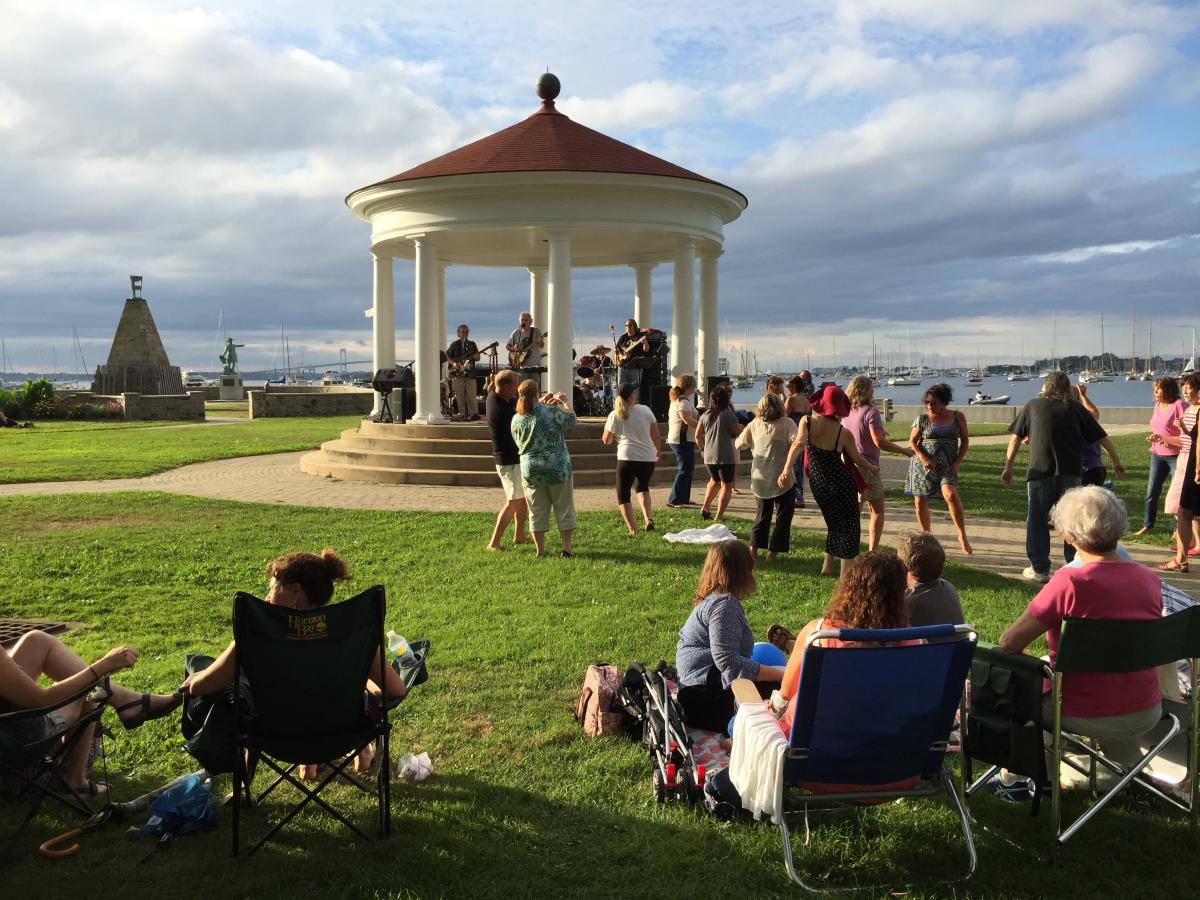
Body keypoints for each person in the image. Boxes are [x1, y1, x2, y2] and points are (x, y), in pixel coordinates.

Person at [181, 549, 406, 779]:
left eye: (272, 589)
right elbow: (396, 689)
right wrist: (363, 679)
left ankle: (264, 776)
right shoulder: (351, 635)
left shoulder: (257, 636)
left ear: (295, 591)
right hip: (340, 736)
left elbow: (201, 687)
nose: (267, 598)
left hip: (275, 738)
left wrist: (194, 678)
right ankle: (352, 754)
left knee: (215, 676)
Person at [998, 486, 1164, 768]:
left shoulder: (1070, 582)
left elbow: (1009, 643)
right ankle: (1125, 769)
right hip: (1146, 707)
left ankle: (1019, 777)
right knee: (1109, 675)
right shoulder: (1149, 579)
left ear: (1068, 536)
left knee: (1013, 687)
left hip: (1079, 710)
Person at [1, 634, 182, 798]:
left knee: (37, 642)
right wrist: (104, 665)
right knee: (90, 693)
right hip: (19, 737)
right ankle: (77, 782)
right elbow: (42, 700)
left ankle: (128, 701)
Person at [773, 553, 923, 745]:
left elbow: (785, 696)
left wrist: (767, 710)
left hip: (815, 748)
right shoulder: (914, 643)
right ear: (900, 596)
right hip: (883, 749)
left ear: (851, 587)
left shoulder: (819, 635)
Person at [1001, 372, 1125, 582]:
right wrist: (1116, 460)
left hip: (1039, 472)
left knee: (1037, 520)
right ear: (1067, 388)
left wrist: (1008, 467)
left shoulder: (1033, 405)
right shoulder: (1075, 408)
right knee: (1072, 520)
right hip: (1071, 472)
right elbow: (1101, 436)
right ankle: (1074, 564)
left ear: (1046, 386)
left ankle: (1039, 569)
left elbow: (1015, 439)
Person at [675, 540, 787, 734]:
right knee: (785, 691)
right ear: (741, 572)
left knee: (778, 684)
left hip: (696, 694)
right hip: (704, 700)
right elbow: (729, 663)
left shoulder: (714, 599)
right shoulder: (724, 606)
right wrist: (781, 675)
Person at [780, 384, 877, 577]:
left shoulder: (807, 421)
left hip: (819, 484)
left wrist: (786, 470)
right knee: (849, 527)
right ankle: (844, 574)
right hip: (842, 484)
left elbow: (798, 444)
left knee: (833, 524)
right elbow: (858, 460)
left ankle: (826, 568)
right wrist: (873, 467)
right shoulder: (843, 433)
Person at [844, 375, 915, 552]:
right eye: (872, 388)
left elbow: (859, 433)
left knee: (854, 511)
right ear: (866, 390)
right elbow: (879, 442)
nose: (874, 391)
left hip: (848, 464)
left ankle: (848, 547)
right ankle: (871, 551)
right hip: (867, 467)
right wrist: (903, 451)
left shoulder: (847, 411)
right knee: (876, 510)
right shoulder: (871, 412)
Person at [511, 380, 577, 557]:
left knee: (536, 511)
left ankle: (540, 550)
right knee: (564, 508)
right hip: (557, 466)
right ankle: (567, 549)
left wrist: (541, 403)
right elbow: (571, 421)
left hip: (531, 470)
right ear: (536, 393)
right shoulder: (550, 411)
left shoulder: (516, 418)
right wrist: (564, 402)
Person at [905, 383, 973, 556]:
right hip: (923, 465)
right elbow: (912, 442)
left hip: (948, 465)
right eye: (927, 402)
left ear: (944, 402)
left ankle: (962, 535)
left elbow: (965, 441)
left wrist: (958, 462)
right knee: (920, 501)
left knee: (950, 494)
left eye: (933, 402)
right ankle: (927, 538)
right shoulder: (922, 419)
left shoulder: (958, 417)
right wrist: (923, 458)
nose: (929, 405)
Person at [735, 393, 797, 562]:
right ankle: (772, 553)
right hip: (782, 476)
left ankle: (753, 550)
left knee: (762, 515)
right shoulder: (788, 423)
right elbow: (796, 443)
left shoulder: (754, 424)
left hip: (760, 477)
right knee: (784, 516)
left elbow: (739, 444)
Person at [602, 382, 662, 535]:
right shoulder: (646, 410)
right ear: (631, 397)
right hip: (647, 456)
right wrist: (658, 450)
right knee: (642, 487)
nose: (636, 394)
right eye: (634, 392)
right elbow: (656, 435)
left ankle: (633, 529)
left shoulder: (614, 414)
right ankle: (648, 519)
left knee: (623, 494)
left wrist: (616, 436)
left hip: (627, 456)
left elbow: (606, 439)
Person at [485, 369, 530, 551]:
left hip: (513, 459)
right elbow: (522, 419)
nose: (516, 389)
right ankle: (494, 543)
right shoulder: (499, 409)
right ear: (504, 386)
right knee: (513, 501)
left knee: (521, 498)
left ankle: (519, 535)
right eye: (514, 385)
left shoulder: (497, 396)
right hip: (507, 461)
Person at [1136, 377, 1187, 536]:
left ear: (1168, 390)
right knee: (1151, 491)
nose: (1155, 392)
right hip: (1157, 454)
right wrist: (1155, 437)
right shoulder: (1157, 406)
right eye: (1154, 389)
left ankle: (1177, 529)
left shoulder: (1179, 405)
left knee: (1176, 494)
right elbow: (1159, 429)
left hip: (1175, 455)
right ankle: (1148, 524)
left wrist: (1170, 442)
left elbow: (1188, 434)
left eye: (1158, 389)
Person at [1160, 373, 1200, 573]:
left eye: (1188, 387)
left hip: (1194, 466)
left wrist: (1198, 467)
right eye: (1182, 387)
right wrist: (1165, 438)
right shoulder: (1190, 411)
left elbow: (1198, 442)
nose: (1184, 390)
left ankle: (1183, 558)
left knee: (1185, 511)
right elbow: (1189, 440)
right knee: (1184, 511)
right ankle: (1181, 559)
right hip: (1188, 462)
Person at [1064, 383, 1105, 564]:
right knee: (1092, 513)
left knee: (1081, 515)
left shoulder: (1072, 420)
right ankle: (1094, 549)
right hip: (1097, 468)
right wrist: (1083, 396)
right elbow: (1095, 412)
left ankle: (1082, 553)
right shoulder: (1088, 418)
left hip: (1084, 470)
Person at [895, 531, 964, 630]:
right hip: (957, 640)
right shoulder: (949, 588)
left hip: (924, 641)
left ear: (904, 566)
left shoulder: (905, 601)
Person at [696, 386, 743, 522]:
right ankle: (719, 516)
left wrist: (702, 449)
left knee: (715, 481)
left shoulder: (705, 415)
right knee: (727, 485)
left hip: (708, 455)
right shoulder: (728, 414)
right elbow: (738, 432)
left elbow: (697, 436)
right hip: (724, 456)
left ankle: (705, 507)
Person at [666, 375, 700, 508]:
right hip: (682, 439)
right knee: (684, 468)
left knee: (687, 467)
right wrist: (703, 426)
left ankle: (683, 497)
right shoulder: (683, 402)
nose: (695, 389)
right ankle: (675, 499)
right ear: (689, 386)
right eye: (694, 386)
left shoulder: (677, 400)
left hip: (681, 438)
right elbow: (688, 420)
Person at [784, 375, 810, 509]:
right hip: (803, 435)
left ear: (794, 386)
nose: (786, 388)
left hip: (792, 436)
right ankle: (800, 496)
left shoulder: (792, 400)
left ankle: (797, 497)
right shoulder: (805, 399)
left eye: (788, 385)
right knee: (798, 468)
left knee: (792, 466)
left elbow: (783, 417)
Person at [446, 323, 481, 419]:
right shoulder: (454, 344)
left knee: (471, 394)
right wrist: (454, 364)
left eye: (466, 332)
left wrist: (476, 356)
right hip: (458, 373)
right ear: (458, 333)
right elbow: (447, 356)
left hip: (470, 373)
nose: (464, 334)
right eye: (462, 332)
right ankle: (462, 413)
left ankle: (473, 413)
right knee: (459, 394)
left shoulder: (472, 344)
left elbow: (478, 358)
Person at [505, 311, 545, 387]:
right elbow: (508, 346)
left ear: (531, 322)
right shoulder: (516, 333)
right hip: (521, 365)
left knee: (534, 387)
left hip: (534, 365)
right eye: (522, 320)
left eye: (526, 320)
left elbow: (541, 346)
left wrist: (540, 341)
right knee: (523, 387)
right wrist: (516, 350)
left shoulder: (536, 331)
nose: (524, 322)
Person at [614, 319, 651, 392]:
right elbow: (617, 351)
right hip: (622, 367)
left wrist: (645, 343)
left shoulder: (640, 336)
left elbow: (646, 350)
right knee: (621, 389)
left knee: (634, 390)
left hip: (635, 368)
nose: (628, 327)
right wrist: (615, 359)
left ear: (634, 326)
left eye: (630, 325)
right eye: (626, 325)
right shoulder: (622, 337)